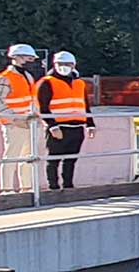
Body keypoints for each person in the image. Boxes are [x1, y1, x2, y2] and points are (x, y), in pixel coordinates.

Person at [35, 50, 97, 191]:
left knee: (71, 159)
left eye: (68, 64)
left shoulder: (79, 83)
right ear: (54, 65)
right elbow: (42, 107)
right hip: (59, 127)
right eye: (60, 64)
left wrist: (90, 124)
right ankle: (54, 187)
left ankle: (68, 186)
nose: (64, 66)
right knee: (54, 159)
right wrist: (52, 126)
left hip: (77, 127)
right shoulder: (47, 83)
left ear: (73, 65)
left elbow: (85, 104)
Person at [0, 42, 43, 196]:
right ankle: (7, 190)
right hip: (14, 124)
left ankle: (27, 189)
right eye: (28, 58)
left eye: (32, 58)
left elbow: (31, 100)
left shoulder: (27, 76)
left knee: (28, 158)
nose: (30, 61)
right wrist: (14, 118)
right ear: (16, 58)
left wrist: (36, 117)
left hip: (28, 123)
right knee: (11, 157)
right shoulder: (6, 78)